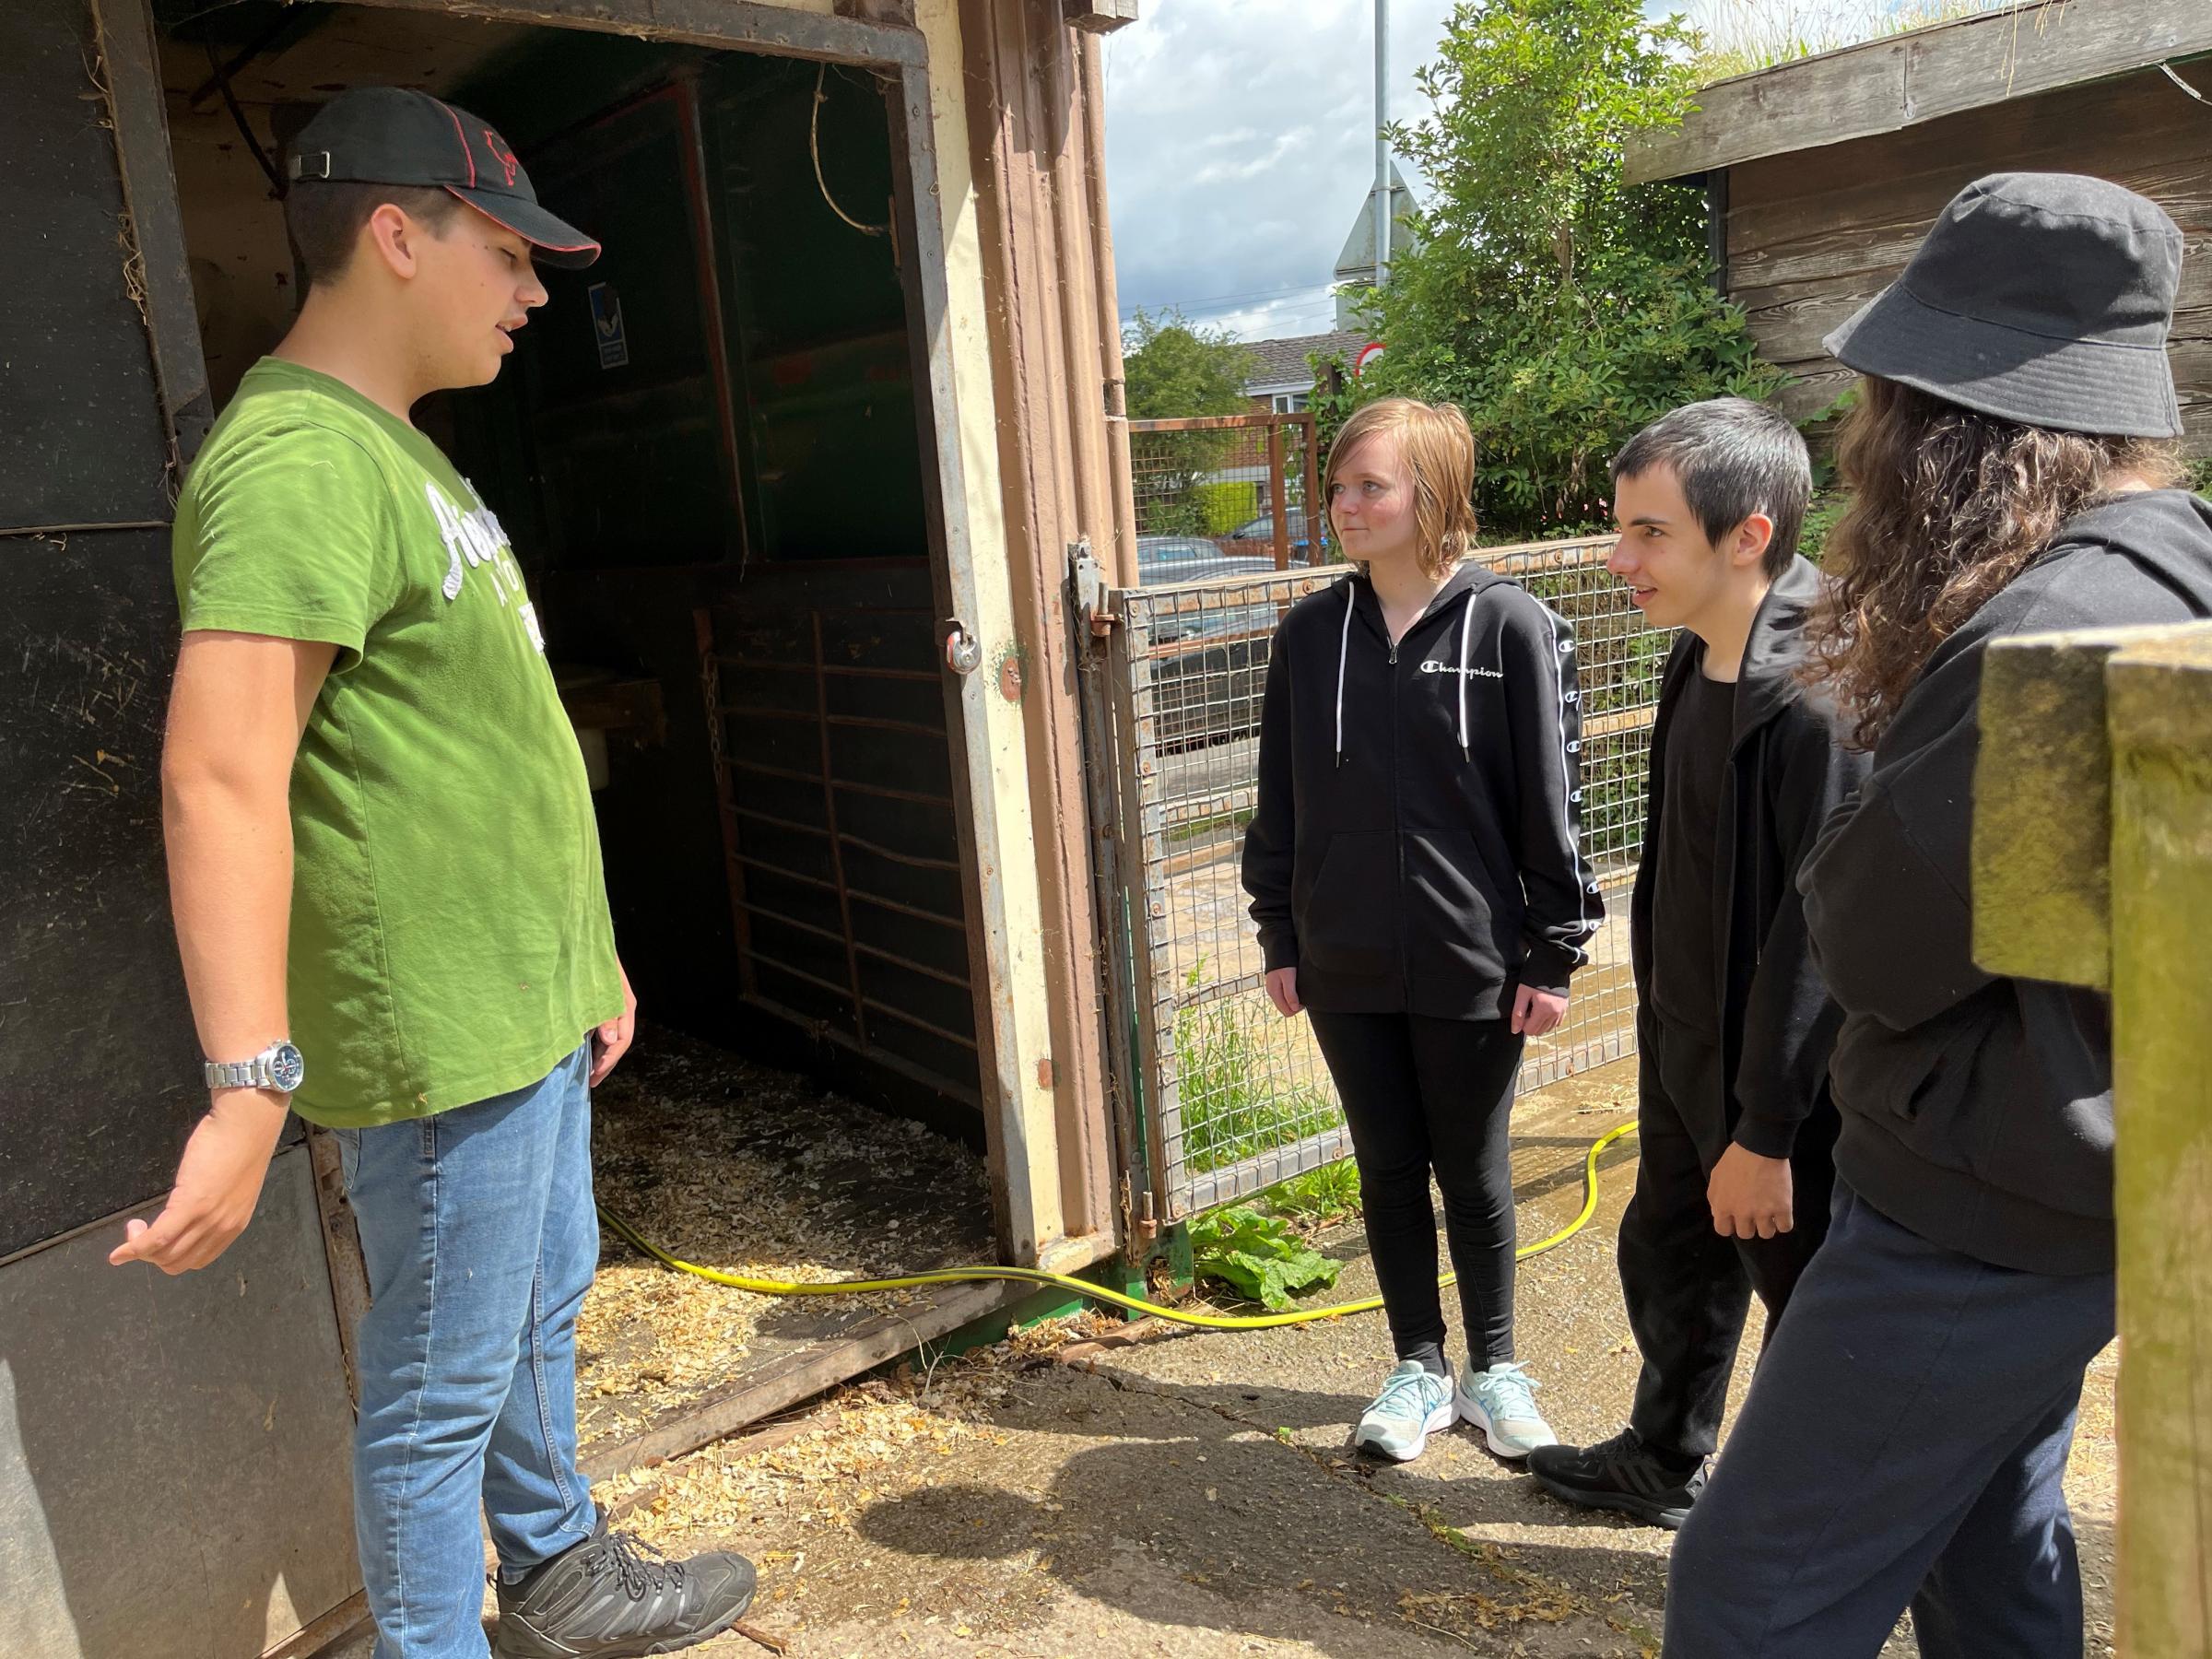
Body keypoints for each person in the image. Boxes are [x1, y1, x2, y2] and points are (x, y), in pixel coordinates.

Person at [114, 88, 759, 1659]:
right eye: (508, 253)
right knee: (433, 1395)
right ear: (396, 238)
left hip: (521, 999)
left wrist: (586, 954)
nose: (535, 291)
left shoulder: (399, 451)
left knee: (540, 1308)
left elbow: (483, 746)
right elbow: (219, 773)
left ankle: (559, 1576)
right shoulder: (293, 463)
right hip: (440, 1032)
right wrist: (251, 1081)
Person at [1665, 173, 2212, 1655]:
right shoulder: (2175, 574)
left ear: (1967, 422)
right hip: (2101, 1172)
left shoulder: (2048, 634)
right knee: (1988, 1541)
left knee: (1748, 1593)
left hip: (1975, 1219)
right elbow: (2048, 922)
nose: (1873, 448)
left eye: (1888, 409)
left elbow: (1880, 945)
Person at [1241, 396, 1601, 1464]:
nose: (1345, 506)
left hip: (1472, 958)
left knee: (1474, 1171)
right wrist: (1280, 933)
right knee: (1387, 1168)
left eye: (1371, 487)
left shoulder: (1512, 628)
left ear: (1430, 496)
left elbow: (1552, 796)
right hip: (1342, 955)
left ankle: (1495, 1371)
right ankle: (1418, 1367)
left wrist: (1552, 950)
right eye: (1340, 487)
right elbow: (1281, 798)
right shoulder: (1311, 635)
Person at [1527, 399, 1865, 1529]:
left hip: (1779, 1092)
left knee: (1811, 1306)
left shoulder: (1820, 698)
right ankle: (1663, 1456)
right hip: (1682, 1041)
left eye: (1649, 533)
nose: (1619, 558)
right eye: (1622, 529)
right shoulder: (1696, 654)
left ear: (1749, 534)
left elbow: (1818, 938)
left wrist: (1765, 1133)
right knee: (1668, 1250)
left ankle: (1827, 1530)